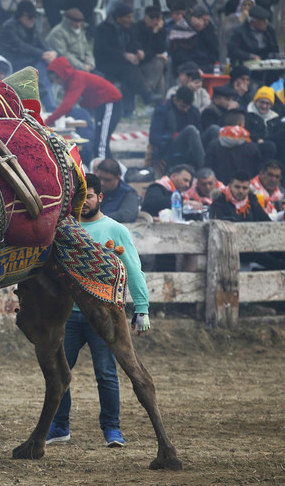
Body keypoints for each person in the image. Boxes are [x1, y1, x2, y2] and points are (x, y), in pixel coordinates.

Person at [46, 173, 150, 448]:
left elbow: (133, 270)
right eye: (80, 197)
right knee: (58, 370)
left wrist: (142, 308)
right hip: (67, 314)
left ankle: (112, 429)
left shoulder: (115, 230)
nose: (84, 202)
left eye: (89, 196)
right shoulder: (65, 229)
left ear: (100, 197)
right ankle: (59, 426)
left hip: (103, 315)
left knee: (106, 373)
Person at [46, 57, 122, 164]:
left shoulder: (77, 79)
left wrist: (47, 122)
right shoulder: (70, 82)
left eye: (57, 78)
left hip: (110, 103)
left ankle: (100, 169)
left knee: (101, 143)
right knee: (100, 141)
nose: (56, 82)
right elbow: (66, 106)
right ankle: (108, 168)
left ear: (63, 74)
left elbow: (66, 106)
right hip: (102, 106)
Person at [94, 3, 160, 116]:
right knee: (129, 69)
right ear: (119, 17)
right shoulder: (103, 29)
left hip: (124, 65)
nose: (130, 19)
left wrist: (139, 50)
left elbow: (134, 42)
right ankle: (145, 94)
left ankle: (128, 110)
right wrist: (124, 55)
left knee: (128, 74)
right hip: (106, 64)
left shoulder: (129, 28)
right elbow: (103, 50)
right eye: (127, 17)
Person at [0, 1, 56, 110]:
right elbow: (20, 46)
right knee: (40, 73)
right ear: (22, 15)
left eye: (34, 16)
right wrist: (42, 54)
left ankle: (50, 106)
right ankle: (51, 106)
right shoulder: (9, 27)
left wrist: (49, 51)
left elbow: (41, 42)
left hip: (31, 62)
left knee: (42, 68)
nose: (33, 19)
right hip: (15, 63)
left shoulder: (31, 26)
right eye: (30, 16)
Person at [149, 86, 208, 171]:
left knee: (214, 129)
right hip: (170, 146)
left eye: (188, 107)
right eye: (183, 106)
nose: (186, 110)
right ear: (175, 100)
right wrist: (173, 136)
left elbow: (201, 132)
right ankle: (205, 169)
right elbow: (153, 137)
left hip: (193, 146)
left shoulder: (193, 110)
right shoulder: (163, 110)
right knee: (190, 130)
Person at [204, 112, 268, 184]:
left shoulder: (213, 145)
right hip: (245, 191)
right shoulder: (252, 147)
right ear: (241, 124)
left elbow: (208, 170)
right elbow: (258, 173)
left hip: (219, 191)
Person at [168, 5, 219, 72]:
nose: (206, 23)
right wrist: (192, 65)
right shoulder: (182, 28)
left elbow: (214, 48)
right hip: (187, 63)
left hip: (205, 63)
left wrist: (202, 31)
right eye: (203, 20)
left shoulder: (208, 29)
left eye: (207, 20)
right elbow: (177, 53)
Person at [46, 8, 95, 73]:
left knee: (100, 77)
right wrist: (82, 67)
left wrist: (90, 64)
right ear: (68, 20)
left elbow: (87, 50)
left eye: (80, 22)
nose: (78, 24)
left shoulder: (81, 31)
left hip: (83, 66)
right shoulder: (57, 33)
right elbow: (63, 54)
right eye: (76, 21)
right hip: (66, 67)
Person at [134, 5, 168, 96]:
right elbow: (142, 52)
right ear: (145, 18)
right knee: (159, 63)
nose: (155, 20)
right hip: (141, 64)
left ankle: (159, 101)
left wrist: (156, 33)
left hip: (153, 63)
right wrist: (155, 55)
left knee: (160, 67)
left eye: (158, 18)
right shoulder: (137, 28)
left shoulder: (160, 30)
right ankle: (147, 92)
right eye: (152, 17)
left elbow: (161, 49)